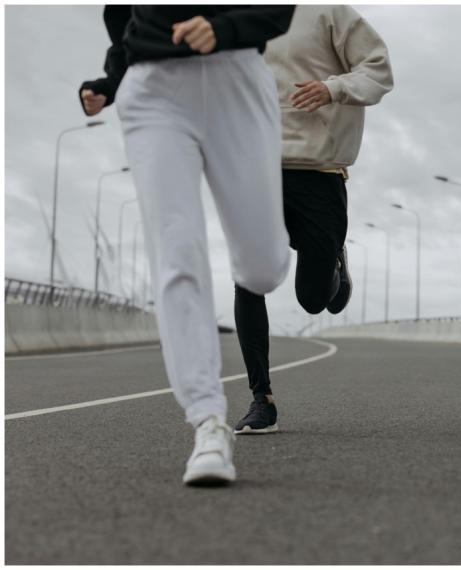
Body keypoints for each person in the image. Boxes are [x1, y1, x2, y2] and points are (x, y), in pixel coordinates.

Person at [79, 5, 295, 485]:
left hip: (235, 76)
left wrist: (224, 29)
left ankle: (279, 253)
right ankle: (208, 422)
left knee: (261, 269)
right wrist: (109, 83)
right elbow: (123, 25)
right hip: (153, 91)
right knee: (176, 252)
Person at [232, 5, 393, 435]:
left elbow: (379, 70)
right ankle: (260, 398)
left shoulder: (328, 13)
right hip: (256, 169)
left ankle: (335, 259)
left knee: (312, 298)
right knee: (248, 278)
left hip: (319, 172)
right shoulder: (235, 19)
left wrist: (331, 88)